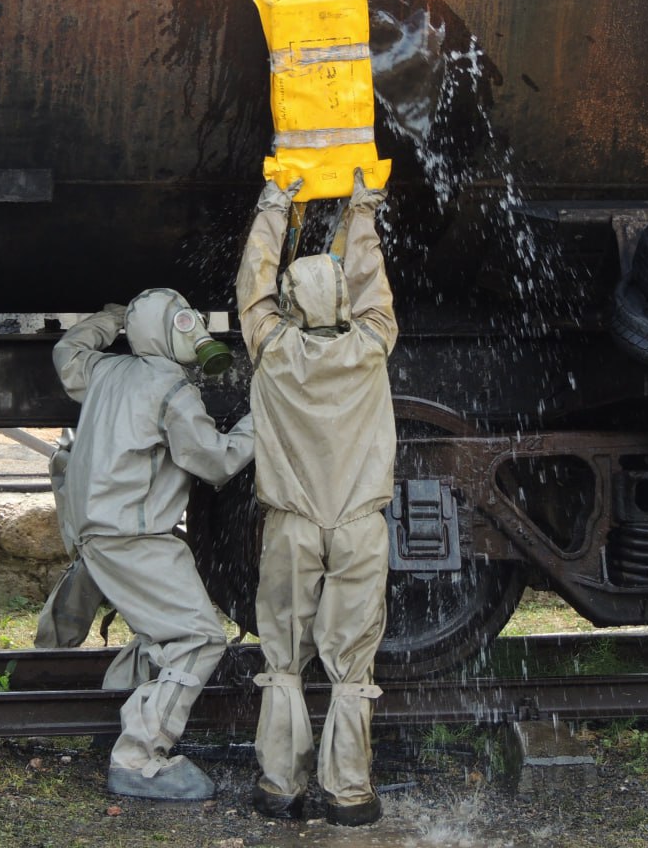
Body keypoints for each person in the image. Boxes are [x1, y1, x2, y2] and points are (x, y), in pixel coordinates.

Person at [43, 290, 255, 801]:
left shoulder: (107, 371)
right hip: (132, 537)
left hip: (95, 531)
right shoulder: (171, 388)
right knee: (198, 638)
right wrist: (259, 421)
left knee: (157, 626)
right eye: (188, 322)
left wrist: (110, 318)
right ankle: (139, 757)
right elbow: (216, 461)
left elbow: (66, 353)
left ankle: (113, 709)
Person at [235, 170, 398, 826]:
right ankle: (349, 794)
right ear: (345, 307)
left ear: (292, 305)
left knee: (285, 656)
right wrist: (361, 208)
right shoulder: (372, 345)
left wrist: (276, 203)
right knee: (352, 662)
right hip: (359, 525)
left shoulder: (271, 350)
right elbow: (369, 275)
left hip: (294, 526)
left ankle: (281, 787)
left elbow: (253, 281)